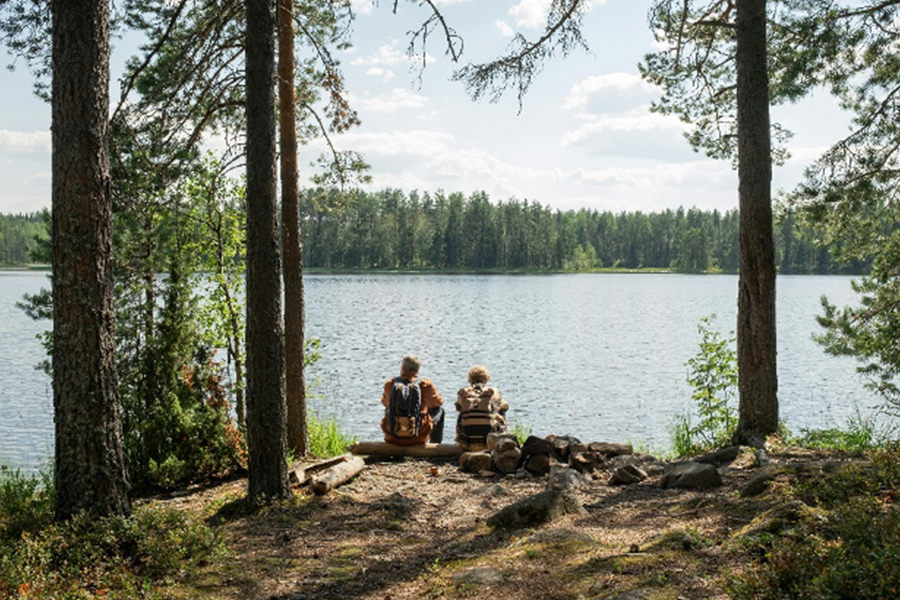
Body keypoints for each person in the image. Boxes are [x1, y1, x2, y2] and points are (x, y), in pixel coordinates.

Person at [381, 354, 445, 446]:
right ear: (418, 370)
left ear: (402, 367)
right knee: (440, 410)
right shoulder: (425, 384)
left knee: (388, 409)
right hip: (418, 436)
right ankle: (435, 446)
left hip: (392, 436)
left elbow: (385, 402)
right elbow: (438, 402)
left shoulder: (390, 384)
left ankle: (395, 433)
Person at [455, 364, 509, 452]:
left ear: (469, 379)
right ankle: (502, 439)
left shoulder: (464, 393)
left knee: (462, 413)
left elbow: (458, 408)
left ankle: (466, 438)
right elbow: (505, 407)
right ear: (487, 378)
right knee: (501, 411)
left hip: (466, 443)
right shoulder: (494, 392)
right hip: (489, 443)